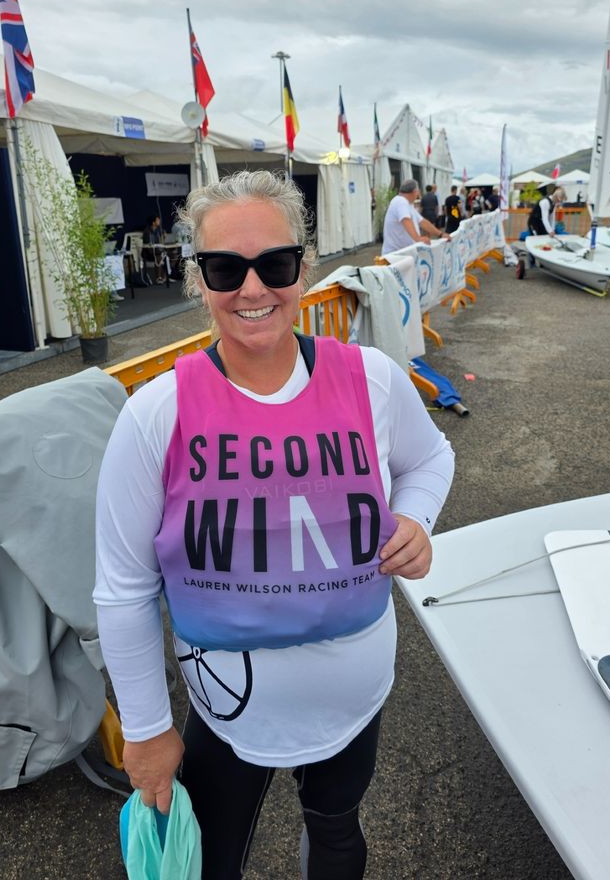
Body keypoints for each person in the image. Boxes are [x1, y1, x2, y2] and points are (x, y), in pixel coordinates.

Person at [95, 170, 455, 880]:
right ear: (199, 280)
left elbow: (430, 457)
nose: (252, 289)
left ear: (304, 266)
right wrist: (146, 728)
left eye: (276, 264)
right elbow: (124, 586)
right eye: (226, 269)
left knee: (337, 831)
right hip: (226, 714)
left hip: (355, 702)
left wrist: (415, 518)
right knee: (214, 860)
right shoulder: (155, 414)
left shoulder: (373, 379)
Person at [382, 179, 450, 254]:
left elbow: (422, 222)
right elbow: (405, 219)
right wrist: (418, 238)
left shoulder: (408, 205)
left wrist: (440, 234)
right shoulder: (401, 201)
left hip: (402, 254)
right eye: (417, 192)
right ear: (414, 191)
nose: (418, 195)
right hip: (395, 255)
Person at [142, 214, 167, 284]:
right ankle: (158, 278)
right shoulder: (147, 232)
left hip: (157, 251)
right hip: (148, 253)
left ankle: (165, 276)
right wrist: (157, 251)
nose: (159, 221)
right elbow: (148, 245)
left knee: (170, 254)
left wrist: (164, 236)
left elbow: (161, 242)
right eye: (157, 220)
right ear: (153, 222)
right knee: (159, 257)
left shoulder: (159, 230)